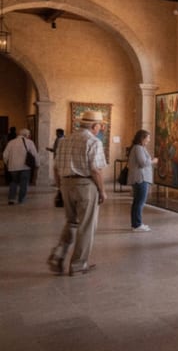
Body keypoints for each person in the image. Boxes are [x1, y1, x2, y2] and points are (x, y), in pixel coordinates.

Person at [47, 111, 108, 276]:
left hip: (66, 184)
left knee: (72, 222)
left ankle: (59, 253)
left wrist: (60, 188)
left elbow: (55, 167)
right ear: (94, 126)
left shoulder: (65, 140)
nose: (101, 129)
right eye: (100, 126)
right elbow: (95, 170)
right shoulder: (93, 141)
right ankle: (78, 264)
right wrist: (102, 191)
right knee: (86, 226)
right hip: (85, 185)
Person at [127, 130, 159, 232]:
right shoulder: (138, 148)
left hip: (140, 178)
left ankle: (136, 223)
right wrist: (153, 161)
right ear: (142, 138)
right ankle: (137, 225)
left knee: (137, 202)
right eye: (148, 138)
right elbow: (143, 163)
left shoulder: (138, 148)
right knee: (139, 202)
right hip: (141, 178)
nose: (149, 140)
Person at [2, 128, 39, 205]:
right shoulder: (29, 142)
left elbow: (5, 155)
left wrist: (7, 163)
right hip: (25, 167)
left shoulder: (11, 142)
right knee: (24, 183)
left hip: (13, 167)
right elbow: (35, 154)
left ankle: (11, 199)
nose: (29, 136)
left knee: (13, 182)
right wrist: (37, 164)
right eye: (29, 135)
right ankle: (21, 199)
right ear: (26, 135)